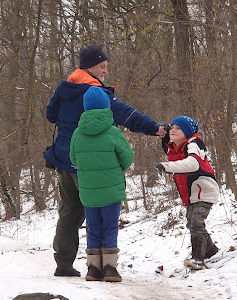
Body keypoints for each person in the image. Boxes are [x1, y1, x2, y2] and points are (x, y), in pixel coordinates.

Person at [44, 44, 167, 277]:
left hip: (64, 158)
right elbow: (127, 115)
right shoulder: (96, 94)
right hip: (89, 166)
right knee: (96, 214)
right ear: (91, 67)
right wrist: (156, 129)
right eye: (103, 66)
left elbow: (51, 116)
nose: (105, 71)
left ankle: (63, 264)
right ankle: (102, 267)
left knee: (69, 213)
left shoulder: (64, 87)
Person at [70, 86, 134, 282]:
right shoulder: (113, 132)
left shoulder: (77, 134)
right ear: (107, 107)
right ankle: (110, 268)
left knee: (93, 227)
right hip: (111, 190)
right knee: (110, 227)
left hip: (88, 191)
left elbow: (73, 160)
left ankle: (93, 269)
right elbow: (127, 158)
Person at [155, 116, 220, 270]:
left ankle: (198, 258)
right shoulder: (177, 147)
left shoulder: (194, 144)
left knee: (197, 221)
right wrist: (163, 134)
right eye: (172, 128)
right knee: (191, 222)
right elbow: (169, 148)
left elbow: (193, 163)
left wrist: (167, 167)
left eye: (179, 128)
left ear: (188, 132)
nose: (174, 130)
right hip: (192, 193)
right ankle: (210, 250)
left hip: (204, 190)